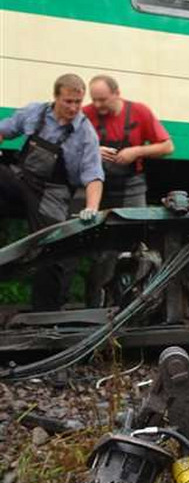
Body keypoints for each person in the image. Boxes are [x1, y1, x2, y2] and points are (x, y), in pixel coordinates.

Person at [0, 73, 104, 311]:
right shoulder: (35, 113)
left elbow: (94, 176)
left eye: (78, 102)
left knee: (52, 250)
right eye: (68, 101)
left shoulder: (85, 133)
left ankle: (44, 315)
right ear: (56, 97)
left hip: (51, 194)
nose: (73, 108)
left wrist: (92, 207)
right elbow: (4, 129)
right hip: (20, 179)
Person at [83, 74, 174, 208]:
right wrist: (93, 151)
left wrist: (137, 151)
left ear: (117, 94)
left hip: (132, 186)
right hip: (95, 184)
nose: (97, 105)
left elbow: (168, 147)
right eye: (94, 100)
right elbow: (68, 148)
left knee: (134, 227)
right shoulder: (85, 114)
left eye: (102, 100)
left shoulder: (139, 111)